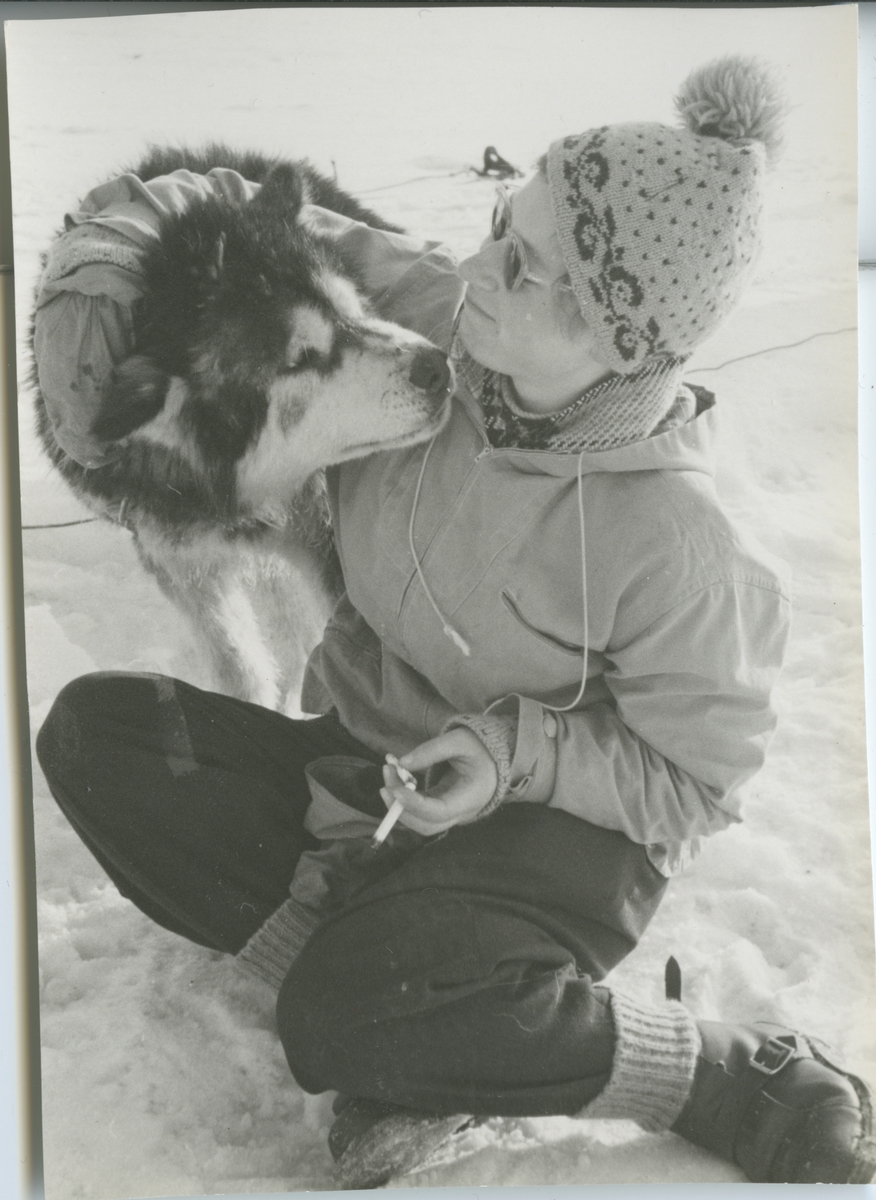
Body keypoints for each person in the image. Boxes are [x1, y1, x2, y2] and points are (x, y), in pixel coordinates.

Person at [34, 56, 875, 1188]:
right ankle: (409, 1003)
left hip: (553, 840)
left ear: (617, 343)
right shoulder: (448, 320)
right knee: (96, 737)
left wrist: (509, 754)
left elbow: (696, 783)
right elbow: (242, 213)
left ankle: (717, 1075)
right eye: (498, 222)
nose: (473, 264)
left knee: (332, 1020)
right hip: (378, 784)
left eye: (521, 264)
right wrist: (105, 259)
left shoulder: (680, 545)